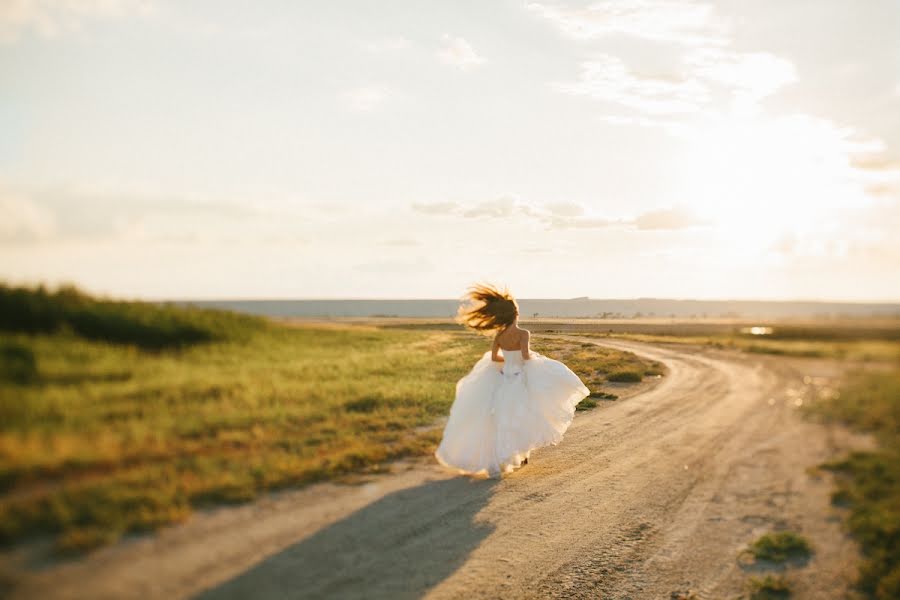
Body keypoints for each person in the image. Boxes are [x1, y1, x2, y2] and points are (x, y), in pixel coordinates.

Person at [435, 284, 590, 477]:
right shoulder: (523, 334)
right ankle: (522, 453)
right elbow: (526, 357)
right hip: (519, 378)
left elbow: (494, 358)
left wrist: (508, 359)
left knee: (500, 418)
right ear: (516, 314)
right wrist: (532, 360)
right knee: (523, 416)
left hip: (504, 378)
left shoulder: (500, 335)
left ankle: (503, 456)